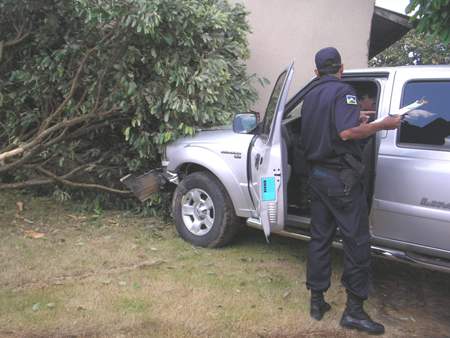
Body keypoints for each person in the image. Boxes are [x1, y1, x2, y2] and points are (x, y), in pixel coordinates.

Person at [299, 47, 401, 335]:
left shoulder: (310, 94)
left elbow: (329, 129)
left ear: (317, 71)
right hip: (340, 181)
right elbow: (344, 134)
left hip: (317, 177)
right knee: (357, 242)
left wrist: (358, 122)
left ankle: (317, 302)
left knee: (319, 238)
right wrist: (383, 125)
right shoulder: (344, 91)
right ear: (341, 68)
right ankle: (354, 313)